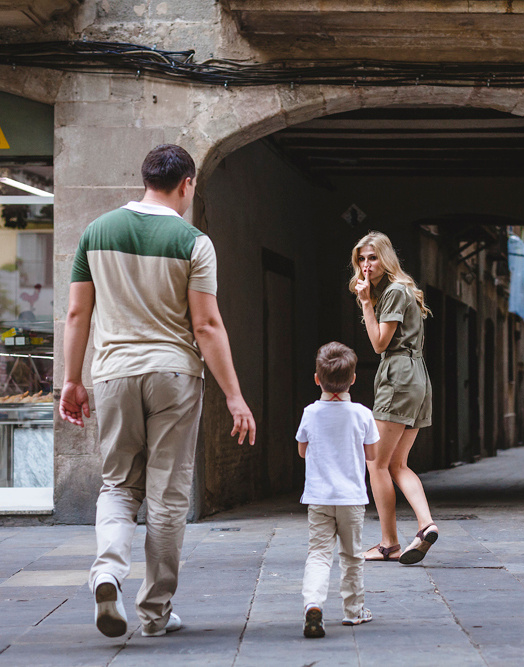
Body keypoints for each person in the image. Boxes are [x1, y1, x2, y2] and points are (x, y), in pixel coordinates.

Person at [59, 144, 256, 639]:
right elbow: (207, 325)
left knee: (118, 485)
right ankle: (155, 612)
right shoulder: (193, 240)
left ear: (145, 178)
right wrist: (234, 395)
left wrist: (72, 379)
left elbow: (78, 314)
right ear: (187, 183)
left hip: (113, 374)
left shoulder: (96, 231)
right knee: (167, 497)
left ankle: (107, 572)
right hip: (173, 375)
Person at [349, 231, 438, 565]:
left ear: (385, 258)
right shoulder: (401, 290)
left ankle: (389, 543)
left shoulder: (392, 293)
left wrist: (367, 303)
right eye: (361, 259)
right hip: (416, 377)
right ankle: (426, 525)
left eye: (372, 257)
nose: (366, 265)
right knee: (397, 463)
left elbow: (379, 343)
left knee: (376, 462)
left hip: (399, 377)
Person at [296, 341, 378, 638]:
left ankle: (313, 604)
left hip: (318, 497)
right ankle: (354, 611)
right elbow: (371, 455)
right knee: (352, 554)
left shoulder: (309, 413)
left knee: (318, 553)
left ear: (317, 378)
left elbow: (302, 451)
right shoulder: (362, 414)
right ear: (353, 379)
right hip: (351, 498)